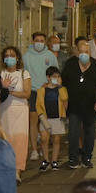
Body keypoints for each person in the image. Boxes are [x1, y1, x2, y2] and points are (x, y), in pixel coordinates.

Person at [64, 38, 96, 169]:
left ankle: (87, 157)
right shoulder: (70, 65)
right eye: (82, 51)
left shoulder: (94, 65)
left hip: (91, 106)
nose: (84, 54)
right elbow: (63, 84)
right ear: (77, 52)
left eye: (87, 52)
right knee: (74, 132)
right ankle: (73, 157)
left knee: (90, 133)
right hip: (74, 106)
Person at [23, 31, 59, 160]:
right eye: (37, 40)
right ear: (33, 42)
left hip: (47, 91)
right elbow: (24, 75)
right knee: (33, 120)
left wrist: (51, 85)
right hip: (33, 92)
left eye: (42, 41)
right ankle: (34, 149)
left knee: (48, 119)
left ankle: (47, 144)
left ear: (45, 42)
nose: (39, 43)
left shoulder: (50, 55)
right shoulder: (26, 56)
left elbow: (56, 74)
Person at [0, 46, 33, 183]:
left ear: (17, 58)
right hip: (4, 111)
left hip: (20, 110)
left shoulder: (24, 73)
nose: (9, 58)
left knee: (19, 141)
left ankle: (17, 171)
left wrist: (9, 91)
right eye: (7, 55)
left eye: (12, 55)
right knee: (5, 141)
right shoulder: (0, 75)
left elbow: (27, 93)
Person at [34, 68, 67, 172]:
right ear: (48, 77)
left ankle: (54, 161)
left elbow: (65, 98)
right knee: (44, 139)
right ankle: (46, 160)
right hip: (45, 118)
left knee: (56, 140)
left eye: (58, 76)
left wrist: (60, 86)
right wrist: (41, 116)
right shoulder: (42, 90)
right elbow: (38, 104)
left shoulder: (61, 89)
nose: (56, 79)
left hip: (57, 118)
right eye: (54, 76)